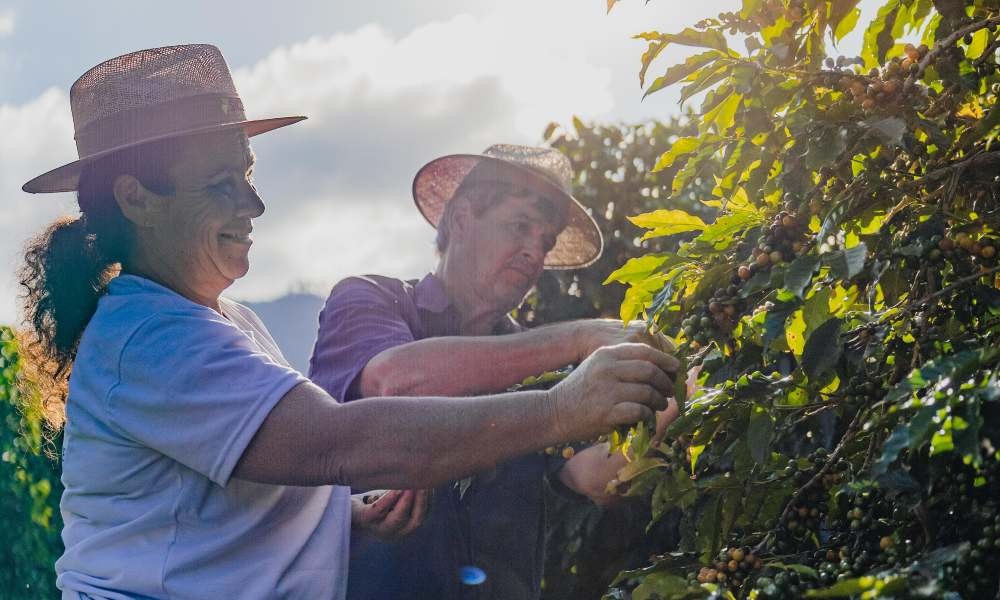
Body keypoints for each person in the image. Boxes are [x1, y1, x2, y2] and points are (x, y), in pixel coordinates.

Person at [18, 45, 678, 600]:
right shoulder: (148, 336)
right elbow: (333, 442)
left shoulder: (233, 324)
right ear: (137, 198)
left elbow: (241, 504)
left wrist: (349, 521)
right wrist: (563, 403)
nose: (253, 203)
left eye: (247, 176)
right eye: (222, 183)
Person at [309, 144, 679, 600]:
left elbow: (592, 476)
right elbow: (395, 379)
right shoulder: (371, 299)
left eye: (544, 241)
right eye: (519, 226)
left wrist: (677, 390)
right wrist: (578, 336)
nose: (534, 253)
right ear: (462, 218)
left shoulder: (536, 365)